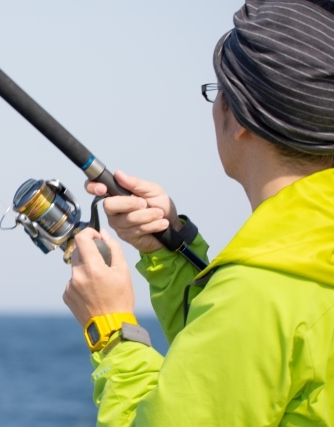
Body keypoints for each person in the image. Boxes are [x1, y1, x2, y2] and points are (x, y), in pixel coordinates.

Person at [62, 0, 334, 425]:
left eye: (218, 90)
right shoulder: (298, 271)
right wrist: (170, 251)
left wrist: (111, 330)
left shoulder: (258, 293)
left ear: (242, 116)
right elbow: (231, 364)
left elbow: (244, 327)